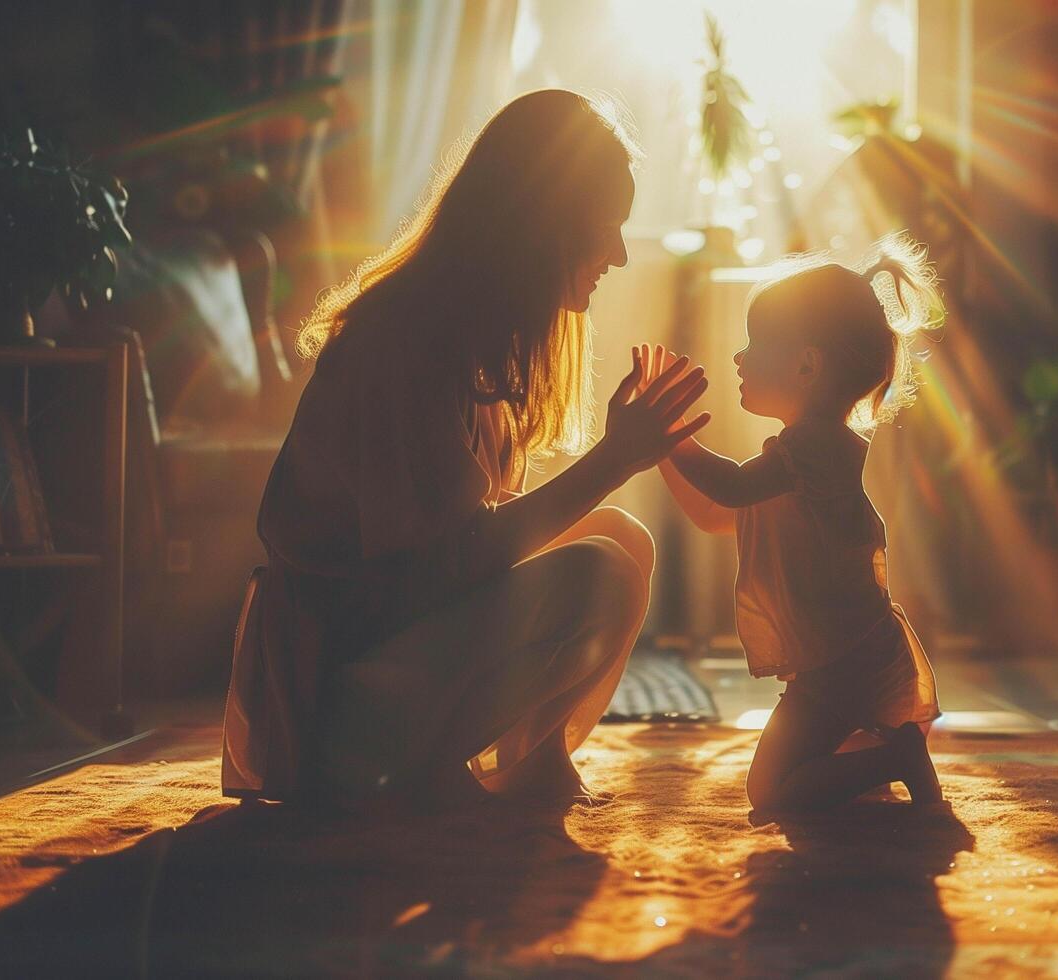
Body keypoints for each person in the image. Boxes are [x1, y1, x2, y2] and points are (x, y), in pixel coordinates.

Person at [221, 89, 710, 813]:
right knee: (596, 573)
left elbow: (460, 540)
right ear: (542, 225)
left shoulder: (469, 336)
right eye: (604, 226)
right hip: (330, 707)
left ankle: (532, 762)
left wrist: (621, 463)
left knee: (622, 540)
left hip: (388, 660)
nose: (619, 253)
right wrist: (612, 462)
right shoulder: (399, 345)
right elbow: (434, 571)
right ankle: (405, 778)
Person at [642, 233, 945, 813]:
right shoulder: (800, 459)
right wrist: (658, 446)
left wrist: (671, 435)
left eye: (755, 342)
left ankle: (896, 757)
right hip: (845, 659)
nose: (740, 356)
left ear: (807, 364)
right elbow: (715, 515)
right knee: (809, 780)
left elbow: (728, 487)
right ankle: (886, 758)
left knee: (771, 794)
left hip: (843, 667)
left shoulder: (813, 451)